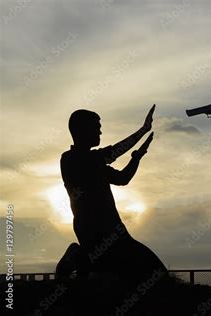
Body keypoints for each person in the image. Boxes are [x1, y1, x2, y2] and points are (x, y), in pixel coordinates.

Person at [58, 105, 167, 282]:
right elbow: (113, 152)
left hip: (114, 230)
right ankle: (79, 257)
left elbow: (123, 179)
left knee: (122, 268)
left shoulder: (94, 162)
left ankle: (80, 258)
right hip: (95, 229)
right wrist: (143, 130)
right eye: (96, 128)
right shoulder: (73, 159)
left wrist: (137, 158)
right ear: (81, 130)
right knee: (150, 272)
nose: (100, 132)